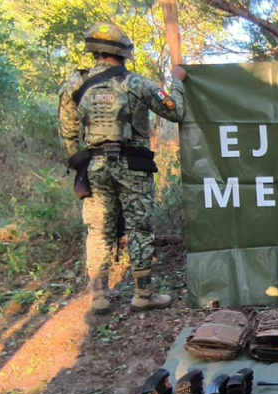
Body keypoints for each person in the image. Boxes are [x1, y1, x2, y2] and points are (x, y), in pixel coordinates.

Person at [58, 22, 188, 314]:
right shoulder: (136, 83)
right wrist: (177, 81)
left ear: (93, 51)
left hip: (94, 166)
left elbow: (67, 133)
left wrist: (79, 163)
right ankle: (143, 295)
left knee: (98, 231)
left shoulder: (74, 86)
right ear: (124, 53)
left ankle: (100, 296)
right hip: (133, 165)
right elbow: (175, 110)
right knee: (140, 228)